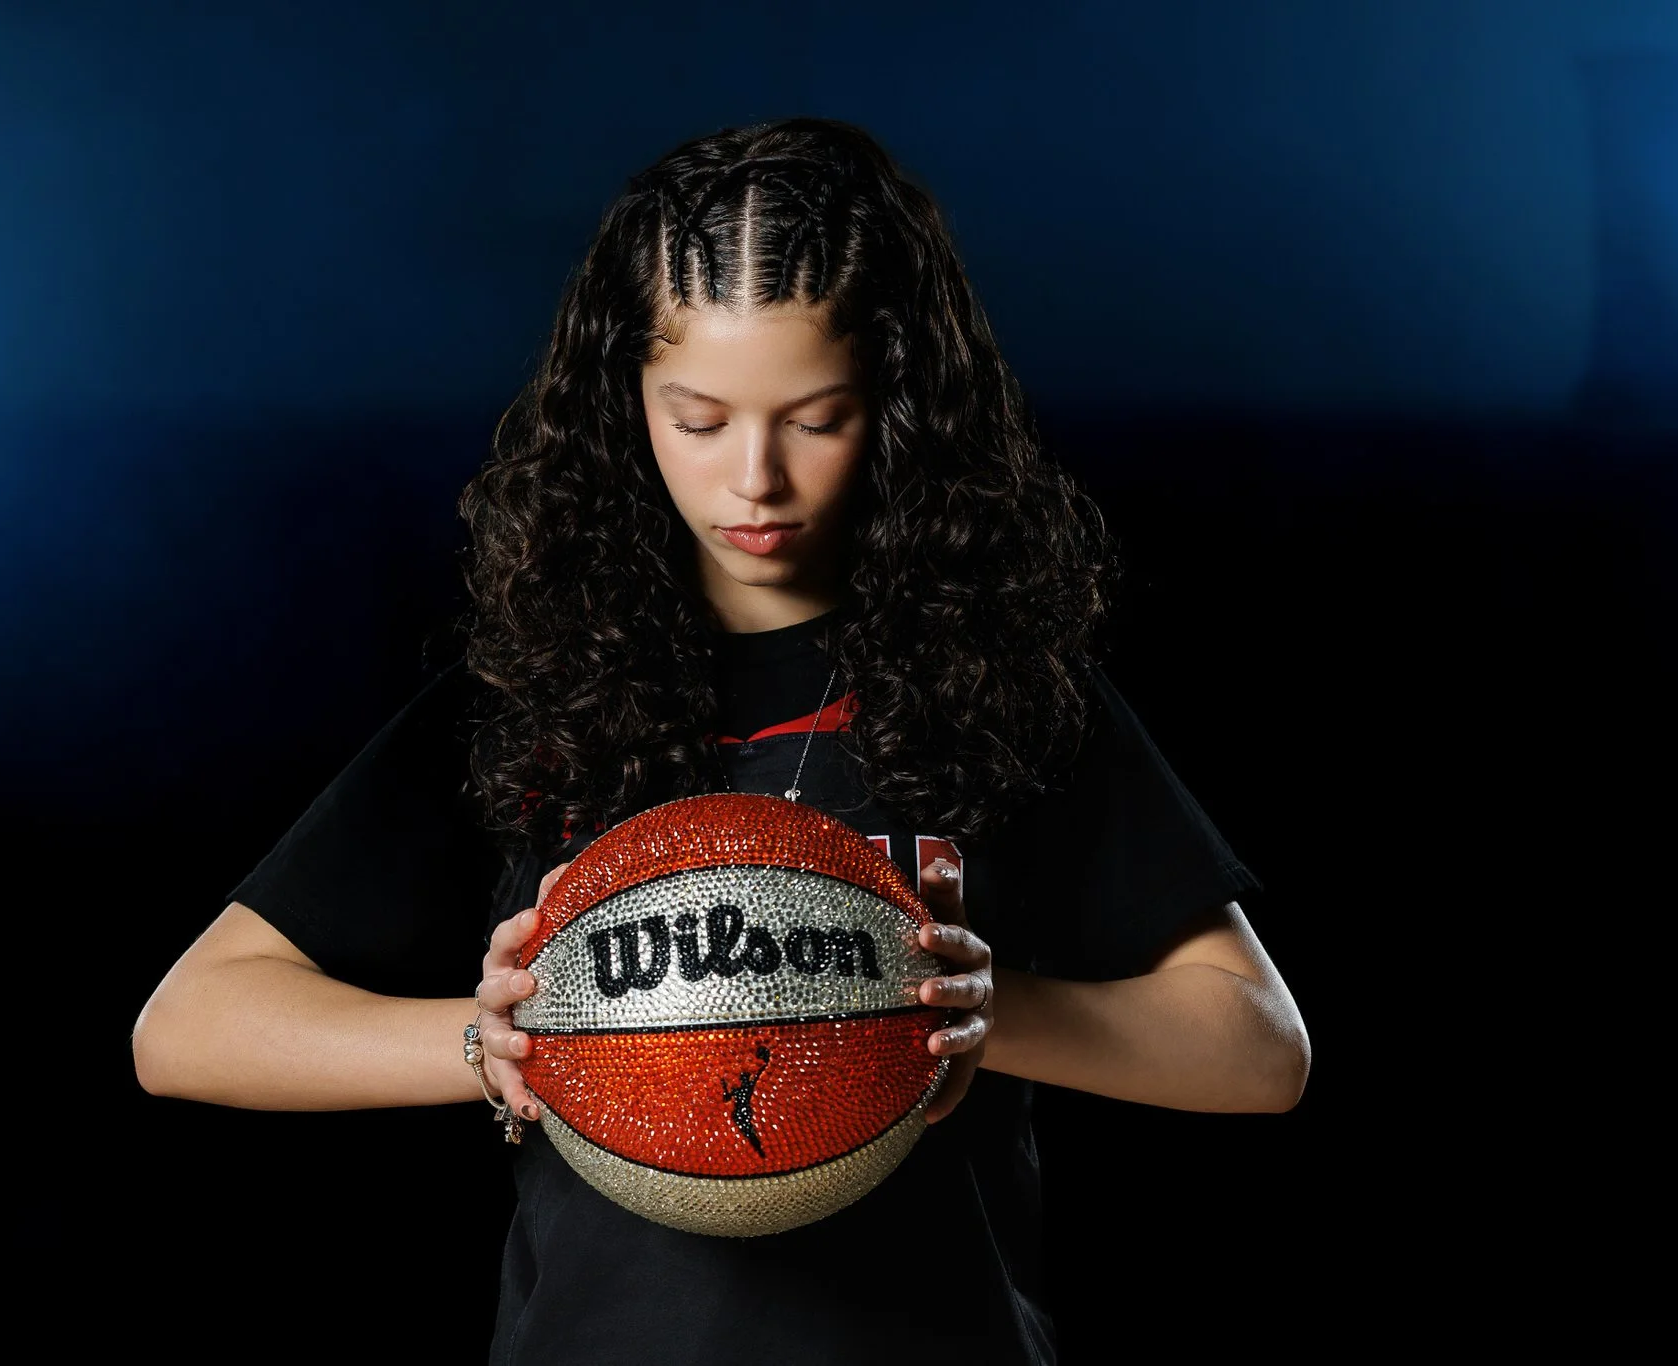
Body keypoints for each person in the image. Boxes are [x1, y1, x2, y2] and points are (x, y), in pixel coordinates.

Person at [132, 116, 1309, 1365]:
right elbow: (186, 1026)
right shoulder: (536, 695)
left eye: (816, 417)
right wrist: (503, 1041)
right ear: (622, 401)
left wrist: (979, 1012)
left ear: (899, 405)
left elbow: (1259, 1049)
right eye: (697, 418)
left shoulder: (1000, 689)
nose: (754, 477)